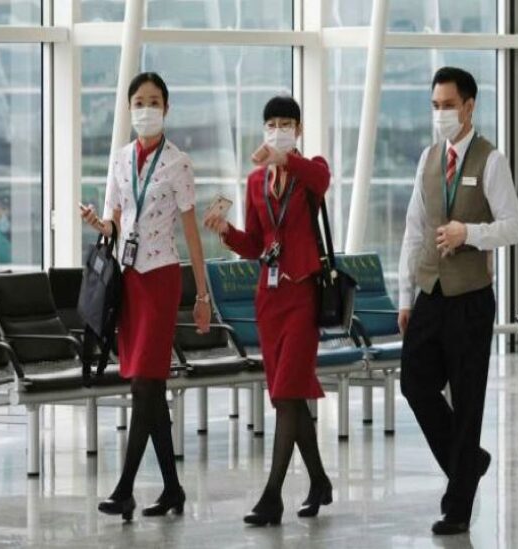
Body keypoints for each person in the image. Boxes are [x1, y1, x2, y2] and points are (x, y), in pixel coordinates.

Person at [80, 72, 212, 522]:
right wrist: (101, 226)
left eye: (154, 101)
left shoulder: (178, 163)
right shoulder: (119, 160)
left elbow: (192, 235)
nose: (146, 108)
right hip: (129, 279)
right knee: (148, 387)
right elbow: (117, 221)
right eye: (138, 101)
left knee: (144, 383)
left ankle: (124, 489)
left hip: (161, 278)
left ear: (167, 108)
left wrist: (203, 295)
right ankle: (173, 489)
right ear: (128, 107)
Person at [397, 67, 518, 536]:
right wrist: (405, 295)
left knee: (468, 402)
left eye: (448, 105)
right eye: (435, 106)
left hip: (471, 298)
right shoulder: (428, 159)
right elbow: (413, 230)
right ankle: (470, 461)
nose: (441, 114)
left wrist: (469, 233)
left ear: (469, 106)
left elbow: (514, 226)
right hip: (430, 294)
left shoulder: (492, 161)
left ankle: (457, 507)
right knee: (415, 384)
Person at [203, 96, 333, 526]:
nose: (277, 129)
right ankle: (319, 480)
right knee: (287, 397)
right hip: (269, 298)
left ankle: (272, 494)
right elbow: (257, 244)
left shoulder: (310, 168)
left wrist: (286, 157)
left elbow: (321, 180)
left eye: (286, 123)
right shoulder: (256, 181)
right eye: (272, 123)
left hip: (302, 295)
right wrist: (227, 233)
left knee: (288, 393)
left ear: (297, 129)